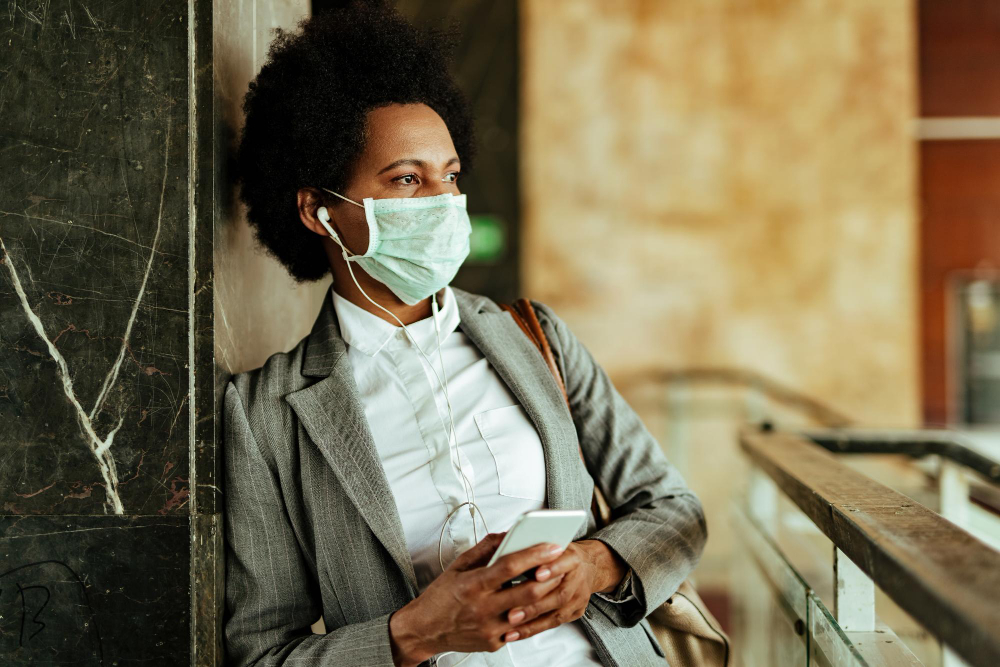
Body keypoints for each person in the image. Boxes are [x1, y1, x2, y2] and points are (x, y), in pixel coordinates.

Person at [222, 3, 707, 666]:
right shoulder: (265, 416)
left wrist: (591, 567)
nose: (443, 202)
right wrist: (419, 632)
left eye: (449, 175)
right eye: (405, 179)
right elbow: (261, 653)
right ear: (318, 211)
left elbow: (673, 508)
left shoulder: (537, 341)